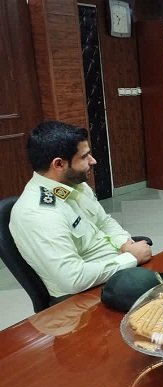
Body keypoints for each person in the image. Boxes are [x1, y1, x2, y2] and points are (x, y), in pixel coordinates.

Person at [9, 121, 152, 300]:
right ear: (59, 164)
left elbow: (104, 221)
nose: (93, 161)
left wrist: (125, 243)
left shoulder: (74, 184)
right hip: (84, 295)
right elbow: (73, 279)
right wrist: (131, 258)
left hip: (116, 269)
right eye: (84, 157)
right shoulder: (38, 214)